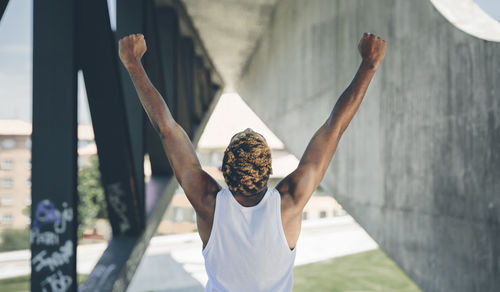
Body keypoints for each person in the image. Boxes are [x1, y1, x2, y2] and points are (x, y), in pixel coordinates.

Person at [118, 32, 386, 292]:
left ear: (224, 171)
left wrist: (133, 63)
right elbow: (334, 128)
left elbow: (167, 129)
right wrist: (369, 65)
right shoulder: (289, 201)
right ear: (269, 170)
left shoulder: (208, 203)